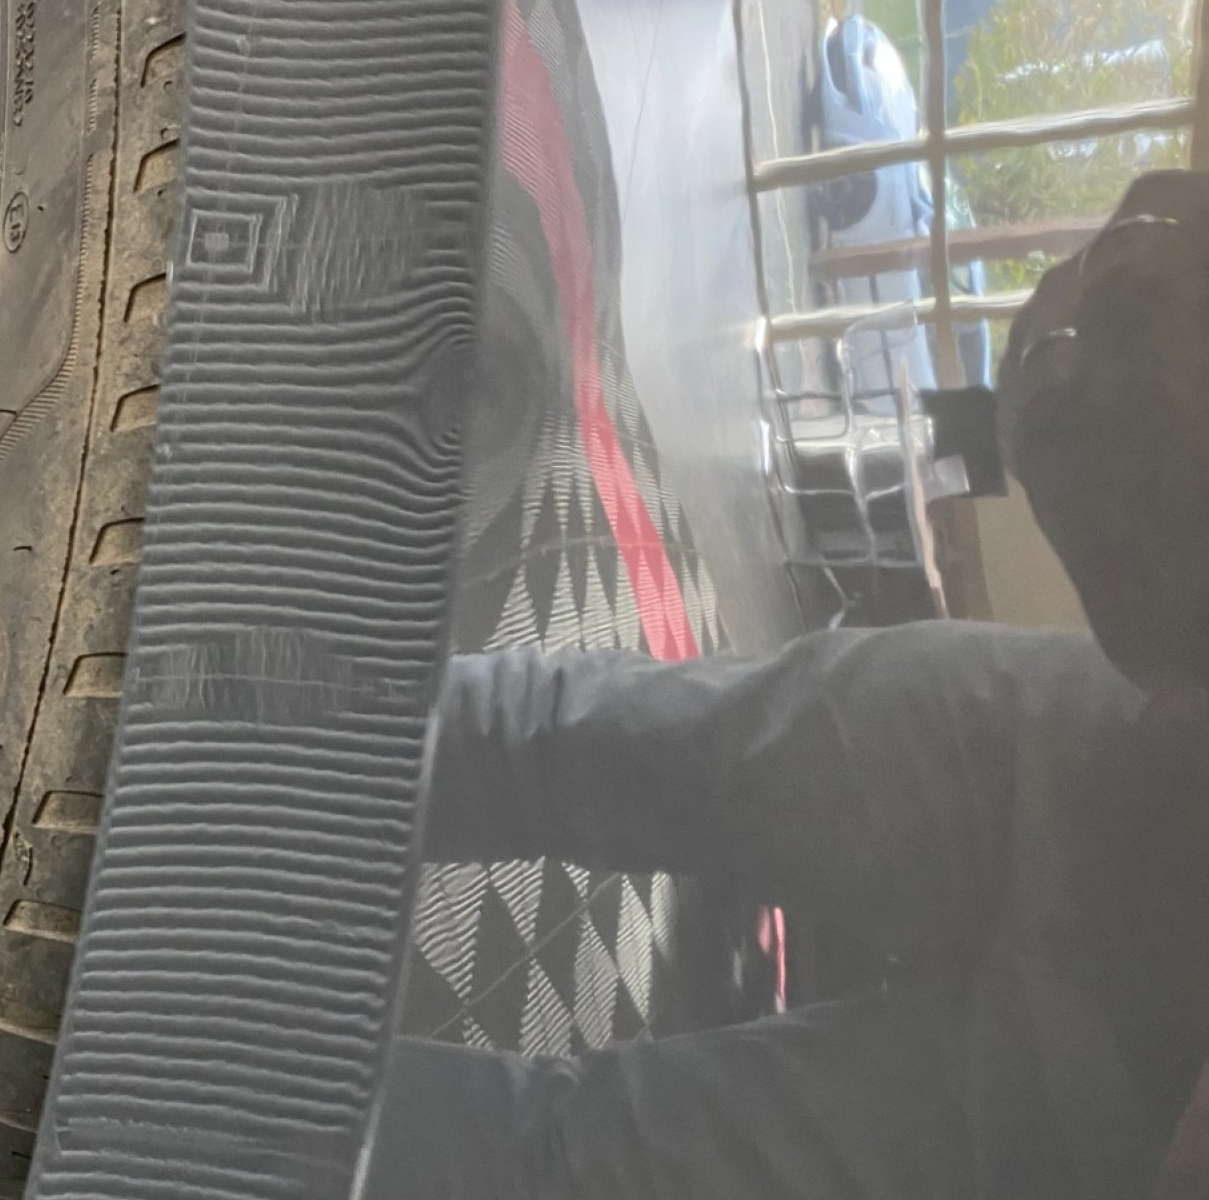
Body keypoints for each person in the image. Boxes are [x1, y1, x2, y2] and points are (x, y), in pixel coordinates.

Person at [362, 170, 1209, 1200]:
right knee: (584, 738)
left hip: (1101, 1117)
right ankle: (227, 755)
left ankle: (192, 1120)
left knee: (552, 1161)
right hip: (1089, 751)